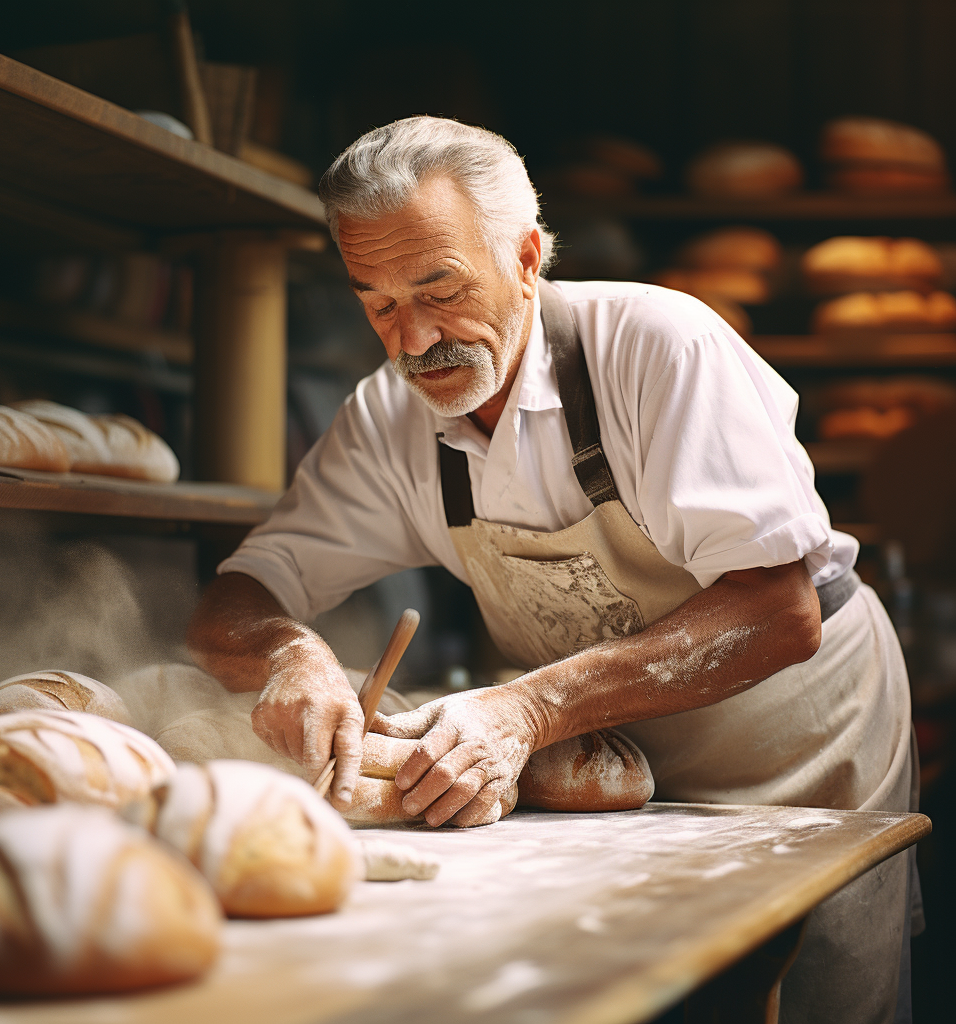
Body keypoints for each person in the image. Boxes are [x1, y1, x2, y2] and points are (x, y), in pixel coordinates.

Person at [187, 116, 917, 1024]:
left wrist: (525, 709)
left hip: (796, 732)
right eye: (376, 303)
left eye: (439, 288)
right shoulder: (386, 420)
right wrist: (285, 650)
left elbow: (780, 611)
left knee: (814, 989)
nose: (413, 341)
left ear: (528, 257)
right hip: (615, 768)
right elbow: (239, 595)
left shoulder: (657, 348)